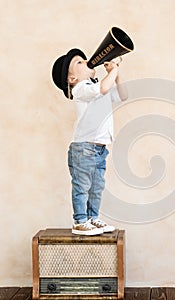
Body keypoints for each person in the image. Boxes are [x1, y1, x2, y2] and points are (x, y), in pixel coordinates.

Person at [52, 48, 127, 235]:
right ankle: (80, 221)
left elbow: (122, 95)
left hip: (100, 149)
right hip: (84, 148)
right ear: (72, 79)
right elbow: (102, 88)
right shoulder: (81, 89)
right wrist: (113, 70)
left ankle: (93, 218)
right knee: (82, 186)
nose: (86, 61)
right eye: (79, 62)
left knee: (96, 187)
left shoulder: (98, 87)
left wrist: (115, 74)